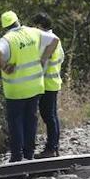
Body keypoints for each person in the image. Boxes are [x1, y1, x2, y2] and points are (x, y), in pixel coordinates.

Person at [0, 10, 45, 162]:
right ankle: (29, 154)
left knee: (16, 122)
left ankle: (17, 157)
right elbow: (54, 39)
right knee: (31, 120)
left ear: (5, 26)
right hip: (35, 87)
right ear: (17, 21)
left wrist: (4, 66)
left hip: (16, 91)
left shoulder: (7, 39)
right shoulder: (33, 32)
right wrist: (44, 59)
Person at [33, 13, 64, 158]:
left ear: (40, 26)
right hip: (54, 82)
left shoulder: (47, 40)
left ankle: (51, 148)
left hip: (47, 84)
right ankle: (54, 147)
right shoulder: (55, 38)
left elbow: (42, 63)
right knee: (52, 116)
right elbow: (62, 58)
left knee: (48, 116)